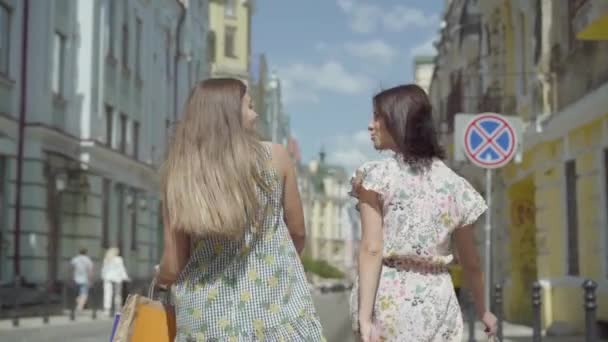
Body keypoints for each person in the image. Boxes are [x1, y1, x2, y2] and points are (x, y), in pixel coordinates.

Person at [156, 78, 325, 341]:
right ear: (228, 115)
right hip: (273, 313)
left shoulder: (180, 174)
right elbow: (298, 232)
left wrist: (160, 280)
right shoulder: (275, 157)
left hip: (205, 321)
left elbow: (174, 264)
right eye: (249, 107)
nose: (256, 115)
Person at [350, 84, 497, 341]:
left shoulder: (377, 177)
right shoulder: (456, 186)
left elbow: (372, 248)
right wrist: (484, 311)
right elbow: (471, 262)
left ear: (398, 121)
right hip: (438, 302)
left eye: (377, 116)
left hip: (390, 299)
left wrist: (364, 317)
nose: (370, 125)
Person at [101, 247, 130, 315]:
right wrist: (126, 277)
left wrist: (103, 276)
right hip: (117, 278)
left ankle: (107, 310)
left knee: (107, 294)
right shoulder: (119, 259)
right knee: (117, 294)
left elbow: (104, 269)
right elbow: (121, 269)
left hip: (107, 278)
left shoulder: (106, 259)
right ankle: (117, 310)